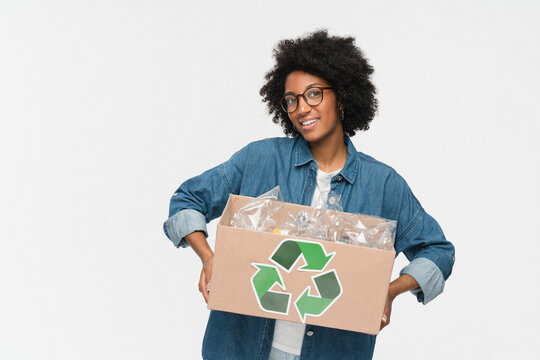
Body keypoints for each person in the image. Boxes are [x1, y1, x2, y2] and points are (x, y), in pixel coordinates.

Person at [163, 30, 455, 360]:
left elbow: (438, 252)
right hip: (239, 349)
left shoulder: (384, 185)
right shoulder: (259, 159)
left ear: (342, 97)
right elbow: (186, 199)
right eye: (292, 99)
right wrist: (209, 258)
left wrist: (388, 292)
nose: (302, 108)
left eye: (314, 94)